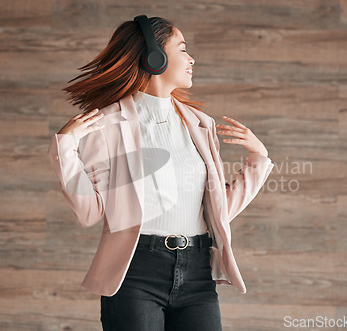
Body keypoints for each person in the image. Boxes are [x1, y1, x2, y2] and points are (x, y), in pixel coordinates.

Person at [47, 15, 274, 331]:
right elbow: (89, 213)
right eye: (182, 49)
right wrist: (66, 148)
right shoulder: (106, 126)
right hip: (135, 271)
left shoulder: (201, 125)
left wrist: (258, 159)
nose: (191, 58)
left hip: (197, 271)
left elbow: (217, 211)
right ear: (154, 57)